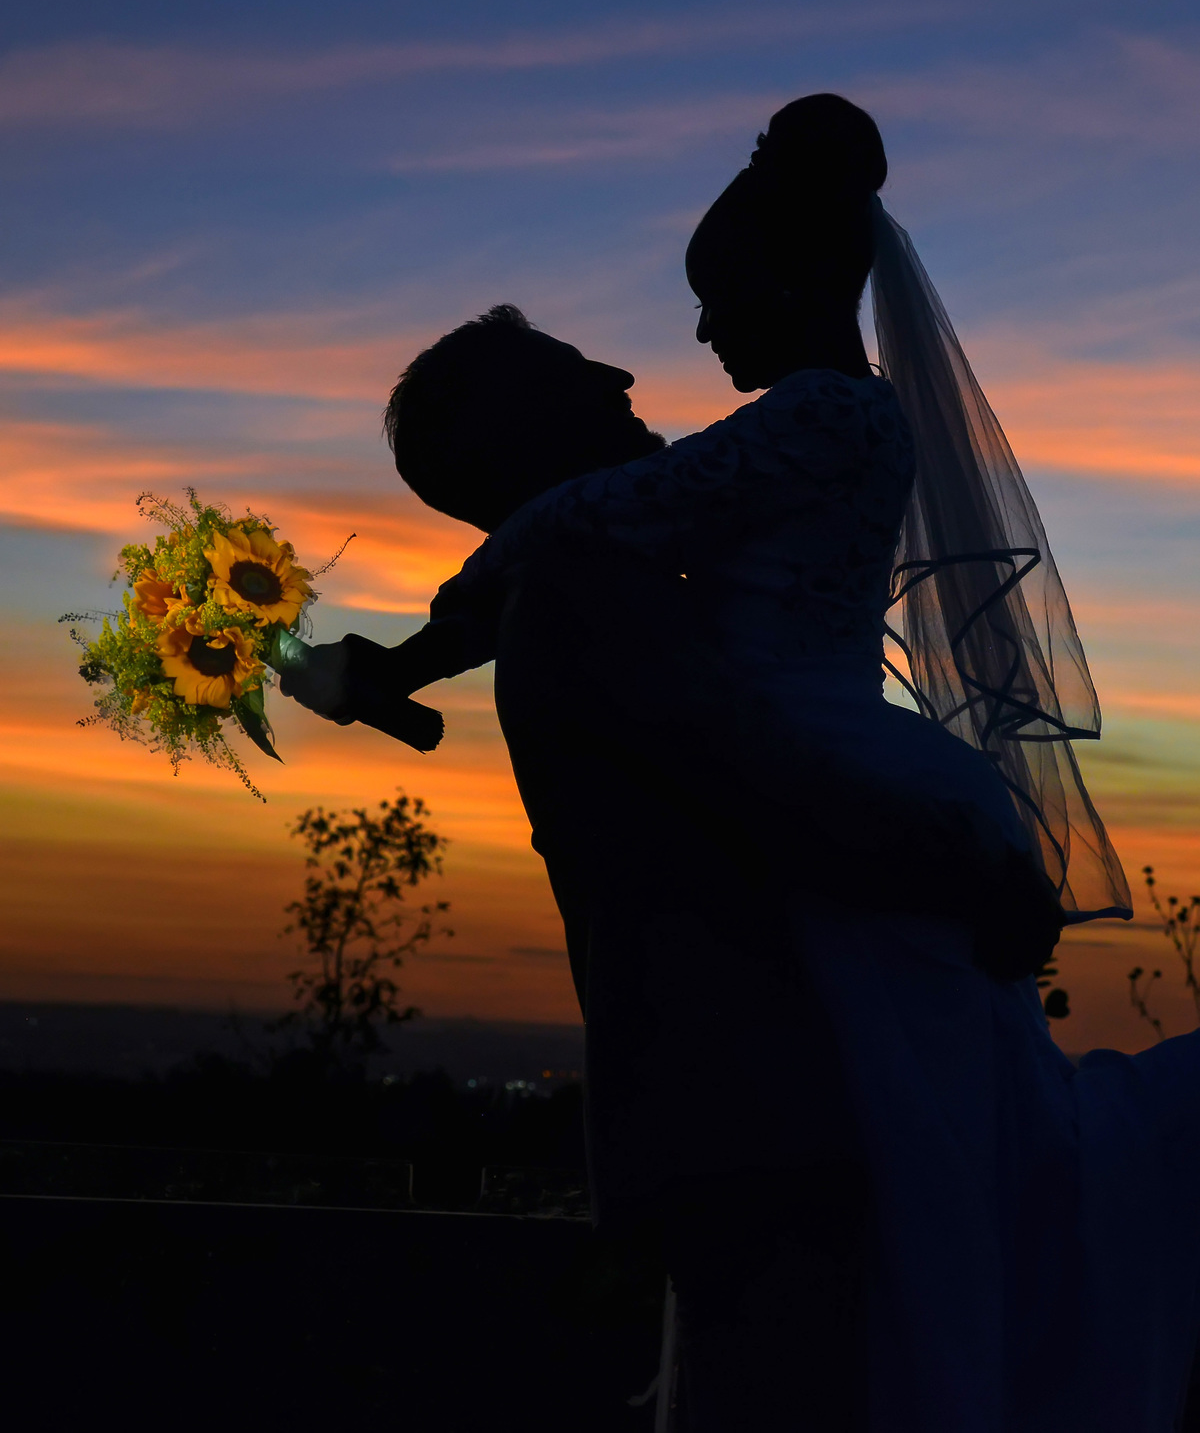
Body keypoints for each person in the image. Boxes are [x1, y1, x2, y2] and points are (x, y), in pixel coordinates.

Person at [285, 95, 1200, 1429]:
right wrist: (965, 871)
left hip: (769, 1059)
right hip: (761, 1110)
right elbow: (771, 795)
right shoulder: (596, 591)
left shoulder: (781, 446)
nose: (636, 374)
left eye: (710, 304)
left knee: (955, 1159)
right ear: (515, 439)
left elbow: (601, 533)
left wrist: (398, 662)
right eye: (580, 370)